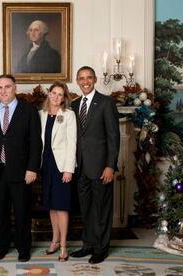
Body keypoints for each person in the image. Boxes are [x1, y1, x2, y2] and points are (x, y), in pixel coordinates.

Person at [0, 74, 42, 262]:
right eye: (0, 87)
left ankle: (23, 247)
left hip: (21, 170)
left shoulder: (29, 110)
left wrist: (32, 168)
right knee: (0, 212)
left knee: (22, 211)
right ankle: (1, 246)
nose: (3, 91)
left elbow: (36, 142)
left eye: (7, 87)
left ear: (15, 88)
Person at [70, 66, 120, 264]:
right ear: (76, 80)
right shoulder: (73, 105)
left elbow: (113, 138)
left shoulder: (106, 103)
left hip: (101, 167)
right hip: (80, 167)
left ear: (95, 79)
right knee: (86, 209)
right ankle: (88, 244)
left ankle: (101, 248)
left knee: (101, 208)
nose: (85, 81)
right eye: (81, 78)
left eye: (89, 78)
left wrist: (110, 166)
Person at [39, 81, 76, 262]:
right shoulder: (41, 115)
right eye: (53, 93)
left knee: (61, 206)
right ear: (49, 94)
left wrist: (69, 169)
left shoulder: (68, 115)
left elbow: (72, 144)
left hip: (61, 167)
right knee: (51, 206)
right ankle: (54, 240)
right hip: (45, 165)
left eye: (60, 94)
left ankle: (63, 246)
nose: (56, 97)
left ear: (64, 98)